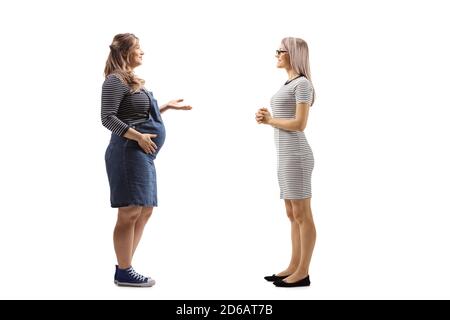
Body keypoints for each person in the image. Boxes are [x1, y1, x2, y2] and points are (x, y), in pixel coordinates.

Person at [101, 33, 191, 287]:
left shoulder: (130, 81)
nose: (143, 52)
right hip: (127, 153)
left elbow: (134, 112)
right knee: (129, 211)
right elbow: (107, 117)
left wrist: (165, 107)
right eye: (138, 48)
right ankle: (124, 269)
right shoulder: (114, 81)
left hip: (142, 154)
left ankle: (125, 267)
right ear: (125, 51)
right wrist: (139, 136)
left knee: (145, 210)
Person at [256, 37, 316, 287]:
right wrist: (266, 117)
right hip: (285, 155)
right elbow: (284, 118)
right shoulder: (288, 84)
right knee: (292, 214)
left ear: (293, 54)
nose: (277, 54)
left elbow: (300, 124)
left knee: (303, 214)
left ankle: (303, 272)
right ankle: (293, 265)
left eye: (280, 51)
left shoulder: (302, 84)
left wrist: (270, 121)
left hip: (297, 156)